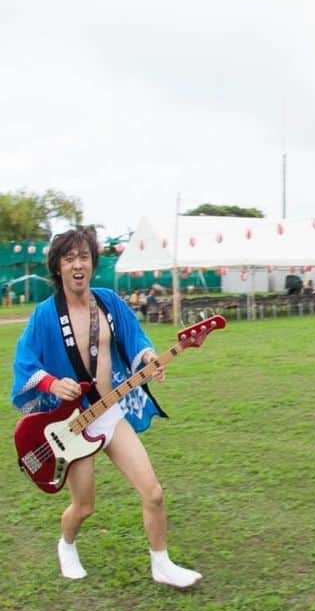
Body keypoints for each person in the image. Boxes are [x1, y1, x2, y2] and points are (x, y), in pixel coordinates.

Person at [10, 228, 201, 587]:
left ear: (93, 263)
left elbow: (136, 340)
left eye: (83, 257)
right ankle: (66, 545)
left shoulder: (109, 302)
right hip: (73, 422)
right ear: (58, 267)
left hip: (110, 412)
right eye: (69, 259)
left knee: (153, 492)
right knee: (84, 507)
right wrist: (52, 384)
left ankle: (161, 564)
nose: (77, 265)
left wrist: (147, 357)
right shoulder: (44, 315)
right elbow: (24, 365)